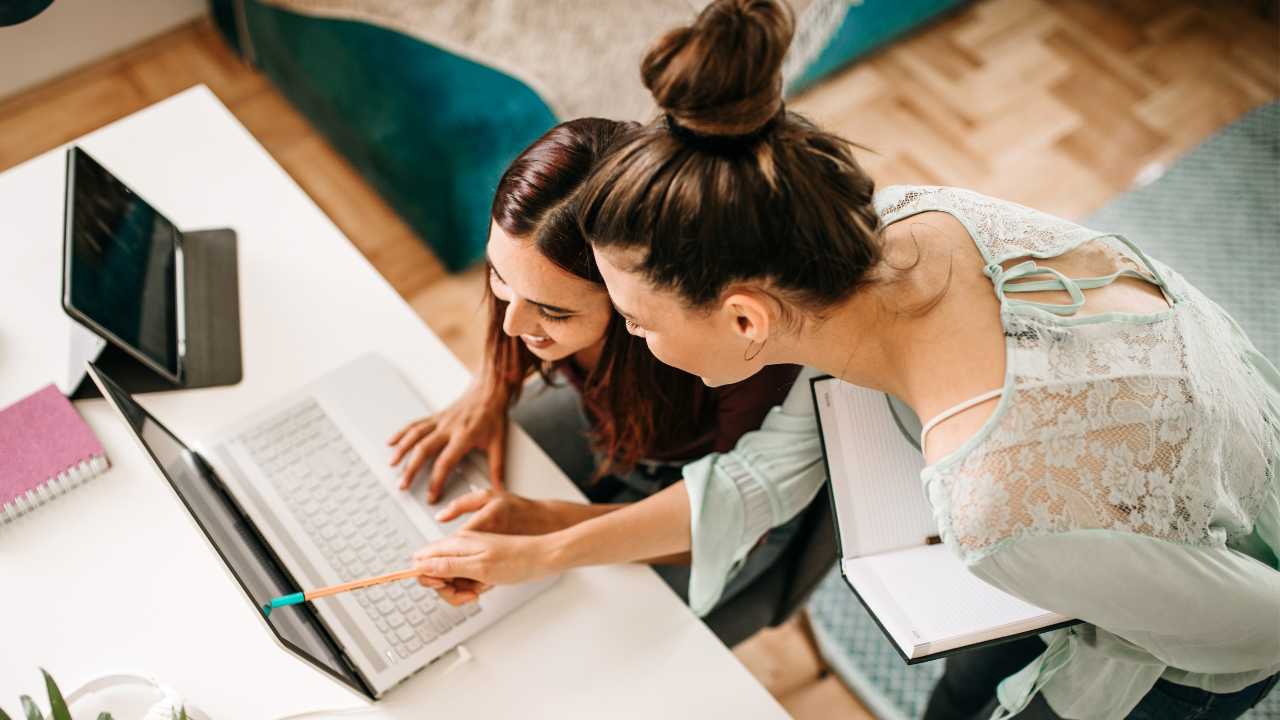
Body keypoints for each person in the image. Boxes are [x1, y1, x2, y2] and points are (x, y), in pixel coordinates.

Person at [412, 0, 1280, 718]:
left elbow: (1260, 630)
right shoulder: (900, 228)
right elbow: (768, 475)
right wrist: (550, 543)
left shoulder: (995, 512)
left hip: (1202, 635)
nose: (638, 344)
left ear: (746, 319)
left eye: (638, 322)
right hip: (1187, 454)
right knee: (966, 688)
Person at [386, 117, 810, 628]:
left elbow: (730, 519)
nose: (511, 322)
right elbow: (522, 296)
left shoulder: (737, 354)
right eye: (499, 277)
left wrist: (552, 527)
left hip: (722, 502)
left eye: (554, 312)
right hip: (626, 437)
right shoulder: (534, 290)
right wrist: (490, 386)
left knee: (602, 633)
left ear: (636, 298)